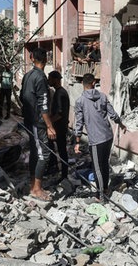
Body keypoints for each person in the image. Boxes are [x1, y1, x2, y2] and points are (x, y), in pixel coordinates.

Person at [74, 73, 127, 202]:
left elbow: (79, 122)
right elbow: (113, 114)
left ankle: (100, 196)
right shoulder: (102, 97)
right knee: (104, 165)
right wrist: (121, 124)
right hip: (108, 136)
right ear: (93, 83)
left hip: (96, 140)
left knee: (97, 168)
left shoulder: (80, 101)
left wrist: (77, 142)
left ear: (83, 84)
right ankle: (106, 189)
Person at [20, 47, 56, 201]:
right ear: (46, 60)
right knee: (44, 154)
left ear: (31, 58)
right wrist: (50, 126)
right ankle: (37, 189)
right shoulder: (41, 78)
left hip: (29, 120)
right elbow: (44, 105)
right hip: (38, 122)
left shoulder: (27, 75)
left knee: (36, 152)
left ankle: (33, 184)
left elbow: (22, 97)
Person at [46, 70, 70, 181]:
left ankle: (64, 174)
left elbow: (59, 113)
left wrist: (49, 123)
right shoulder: (59, 92)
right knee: (52, 147)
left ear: (55, 79)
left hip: (59, 127)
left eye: (50, 78)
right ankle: (54, 167)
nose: (48, 80)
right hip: (59, 126)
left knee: (61, 150)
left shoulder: (60, 93)